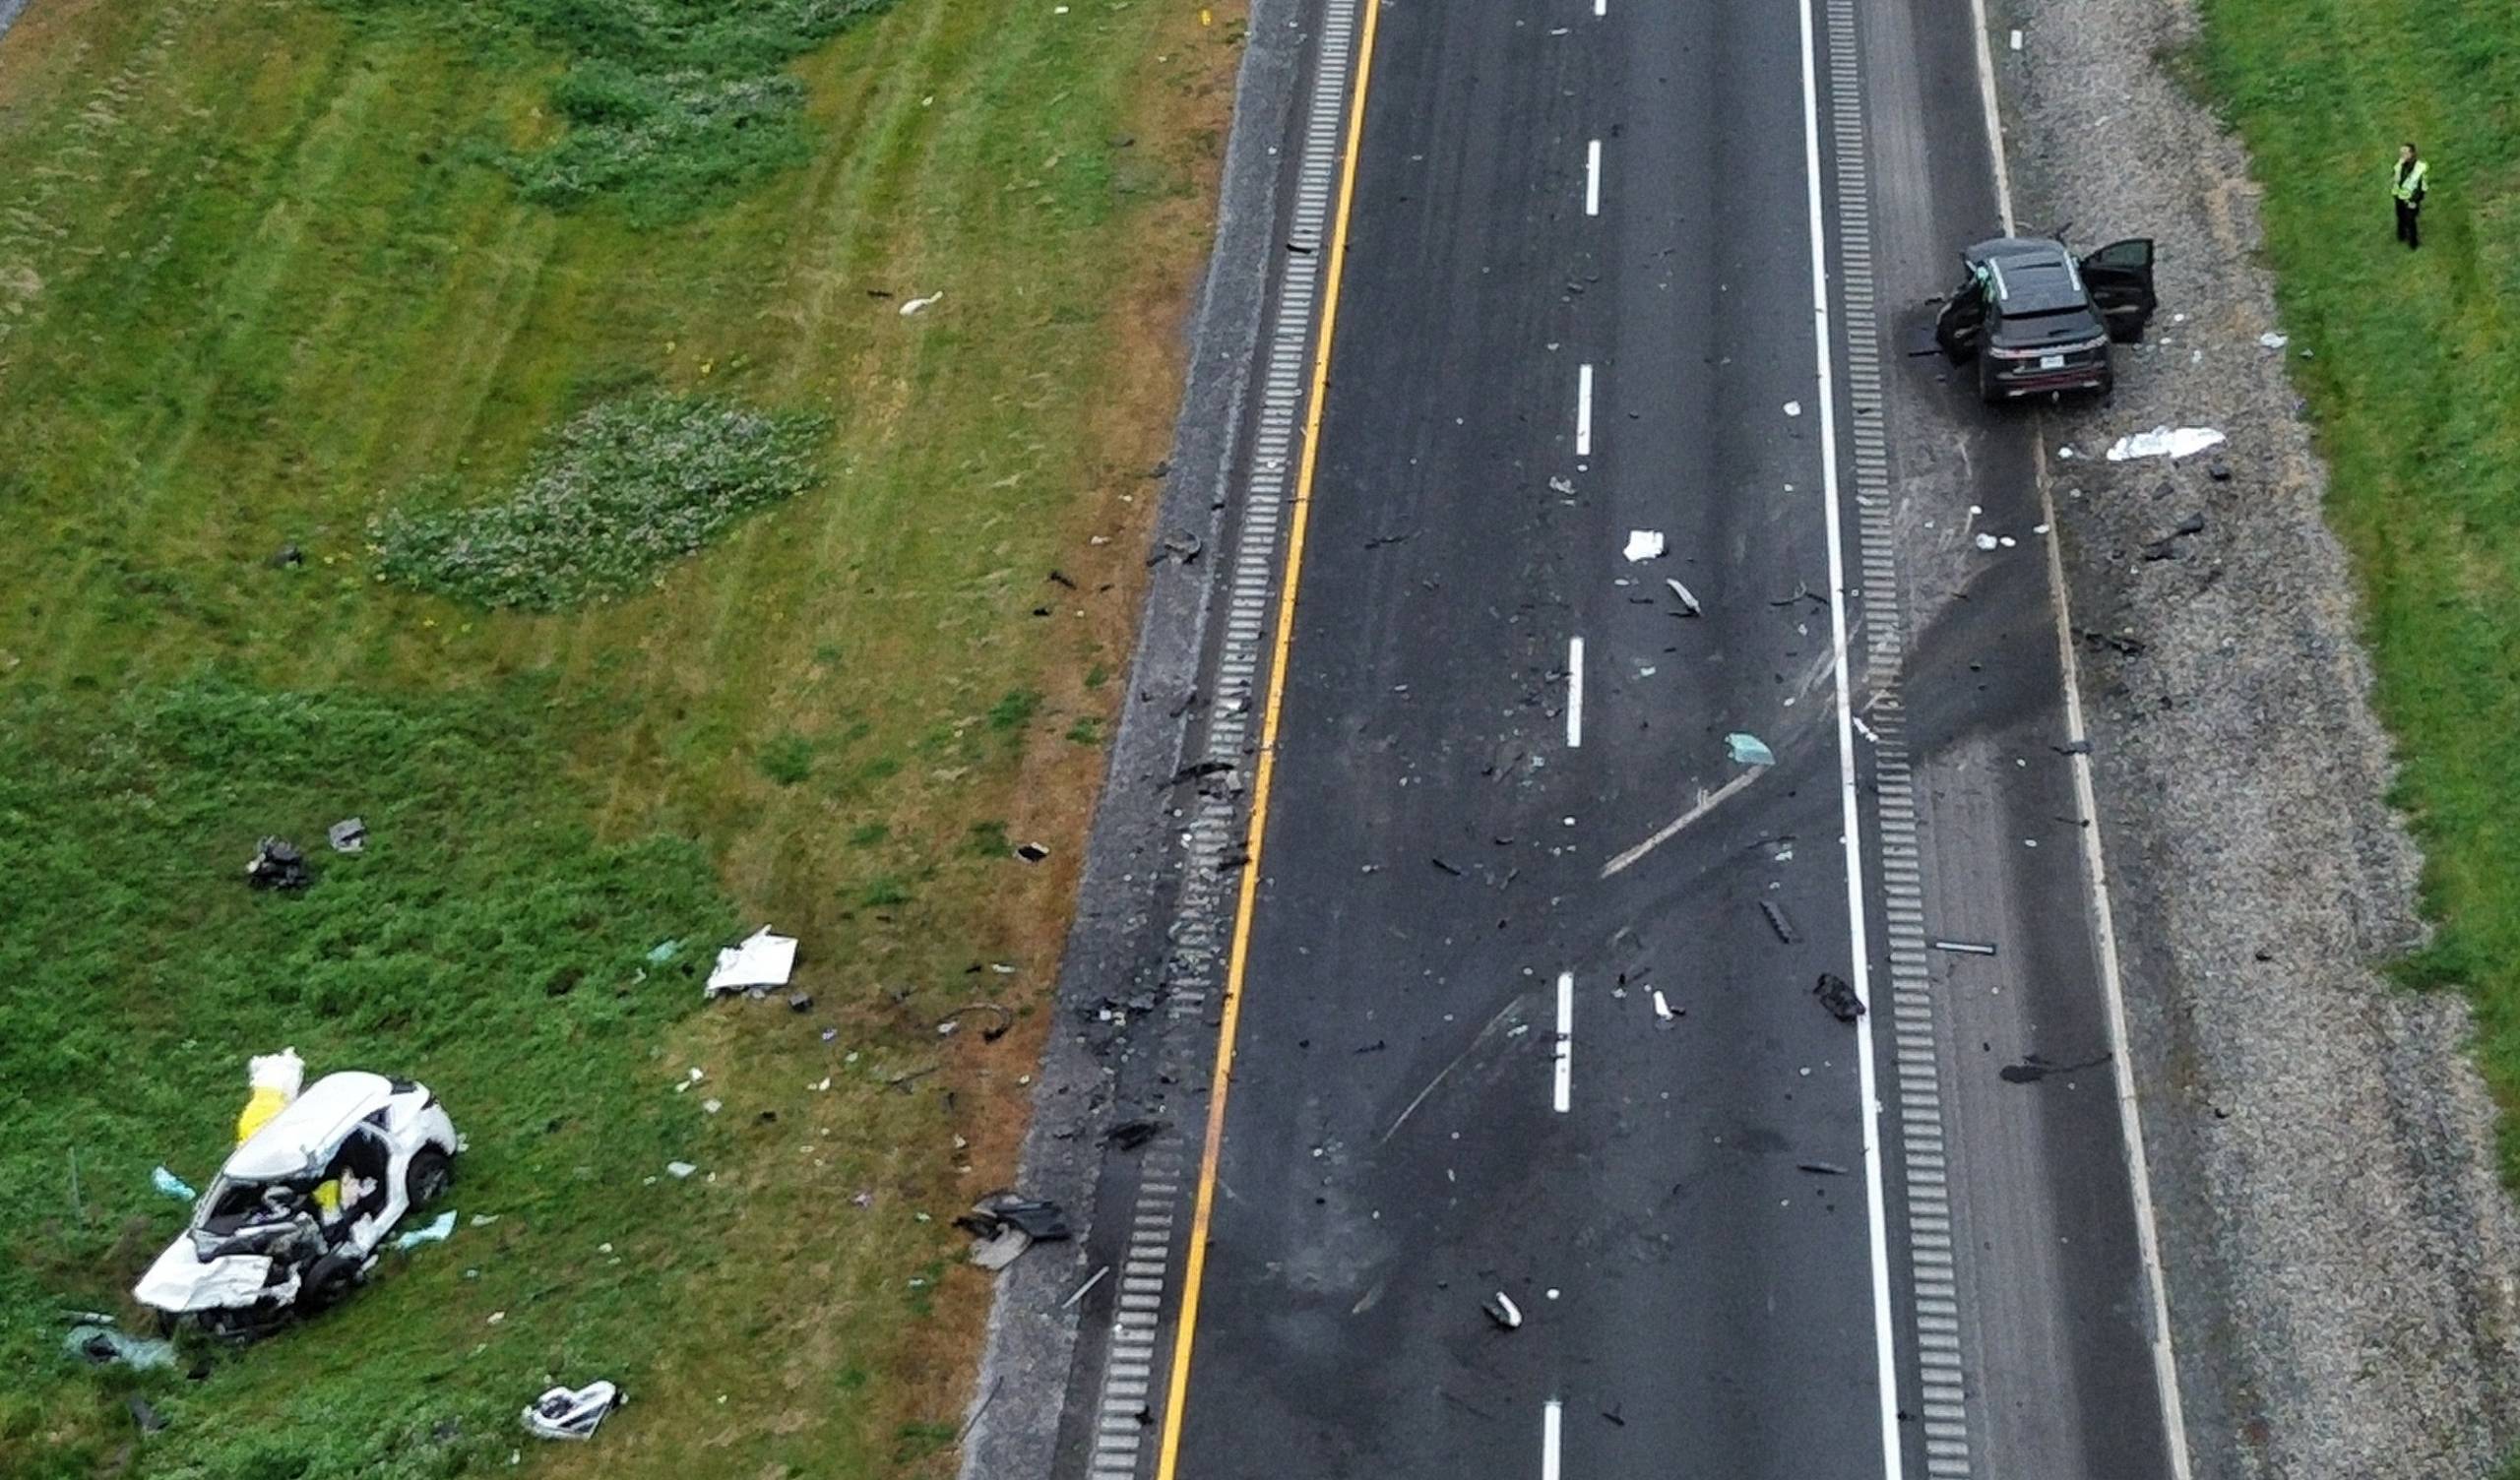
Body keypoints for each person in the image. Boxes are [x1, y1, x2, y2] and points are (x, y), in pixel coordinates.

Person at [2394, 143, 2428, 249]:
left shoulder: (2420, 167)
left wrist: (2415, 200)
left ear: (2412, 153)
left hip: (2411, 199)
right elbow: (2396, 180)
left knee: (2411, 220)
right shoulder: (2399, 165)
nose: (2403, 154)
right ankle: (2401, 235)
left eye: (2405, 152)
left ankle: (2413, 243)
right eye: (2402, 152)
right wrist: (2400, 166)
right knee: (2400, 217)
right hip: (2399, 195)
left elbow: (2422, 186)